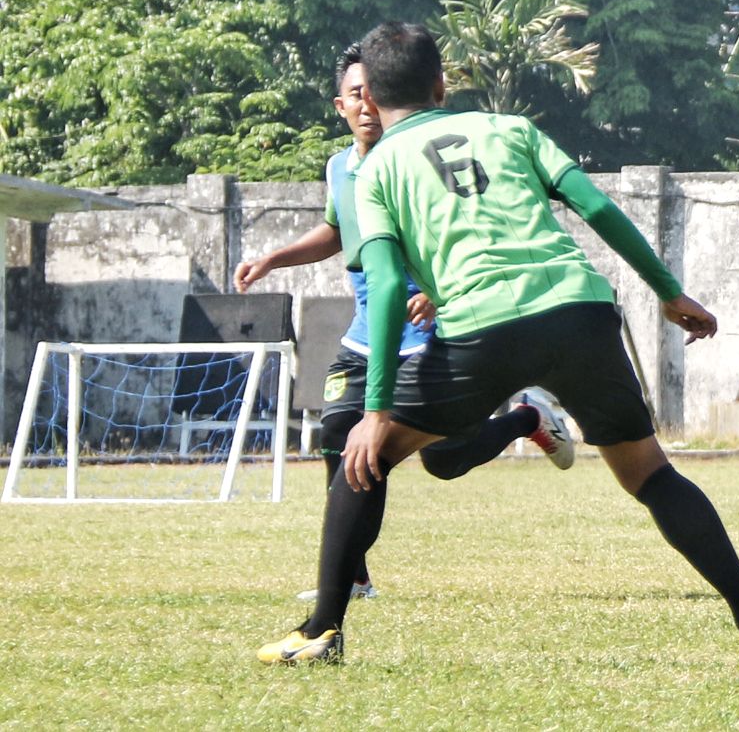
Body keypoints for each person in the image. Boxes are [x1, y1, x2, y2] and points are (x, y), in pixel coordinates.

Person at [256, 21, 739, 666]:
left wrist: (376, 412)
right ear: (441, 81)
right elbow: (595, 207)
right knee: (651, 474)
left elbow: (377, 278)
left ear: (367, 95)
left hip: (481, 328)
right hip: (580, 310)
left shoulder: (375, 172)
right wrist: (667, 291)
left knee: (361, 458)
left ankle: (321, 630)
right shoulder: (508, 129)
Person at [237, 42, 575, 602]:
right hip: (365, 337)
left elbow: (470, 230)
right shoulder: (340, 167)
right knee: (338, 436)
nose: (367, 105)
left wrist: (441, 297)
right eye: (355, 95)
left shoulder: (419, 157)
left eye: (375, 93)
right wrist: (275, 258)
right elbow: (337, 233)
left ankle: (524, 418)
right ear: (339, 105)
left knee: (445, 460)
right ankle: (354, 575)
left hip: (433, 336)